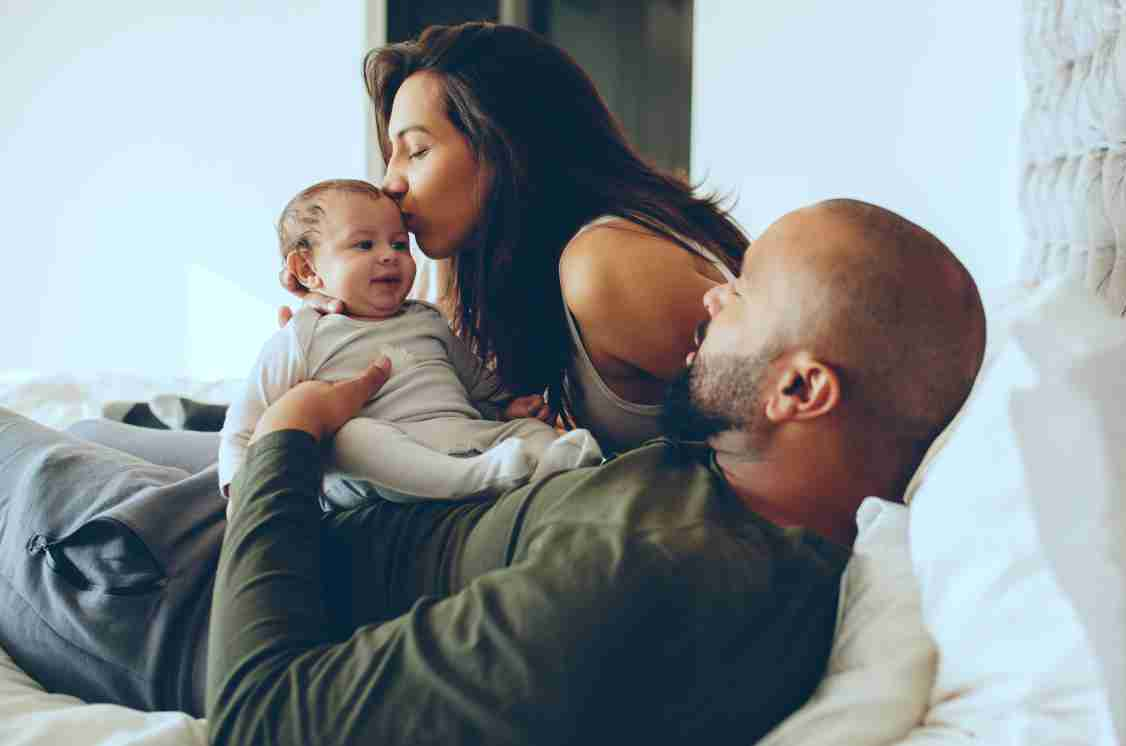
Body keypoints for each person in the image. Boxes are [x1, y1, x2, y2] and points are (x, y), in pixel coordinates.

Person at [0, 200, 987, 745]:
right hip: (309, 517)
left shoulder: (651, 577)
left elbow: (263, 718)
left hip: (172, 590)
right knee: (82, 422)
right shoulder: (741, 482)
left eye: (745, 291)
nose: (710, 299)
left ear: (802, 388)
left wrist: (288, 440)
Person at [85, 20, 747, 465]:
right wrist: (355, 327)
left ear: (510, 147)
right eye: (390, 155)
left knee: (89, 457)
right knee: (97, 440)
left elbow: (770, 440)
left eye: (417, 151)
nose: (391, 183)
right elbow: (454, 396)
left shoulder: (608, 265)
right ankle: (192, 416)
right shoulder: (500, 260)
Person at [220, 178, 601, 510]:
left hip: (461, 436)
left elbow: (475, 383)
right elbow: (245, 422)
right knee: (351, 438)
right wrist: (240, 491)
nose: (389, 255)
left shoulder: (427, 318)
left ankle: (554, 464)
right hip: (378, 467)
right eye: (364, 245)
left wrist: (508, 407)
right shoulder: (302, 336)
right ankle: (478, 479)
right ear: (307, 270)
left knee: (527, 432)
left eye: (400, 244)